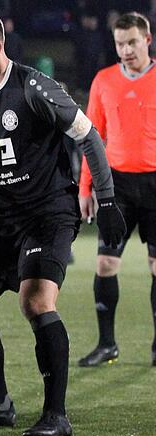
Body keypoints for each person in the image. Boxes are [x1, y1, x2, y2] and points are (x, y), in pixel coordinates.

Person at [0, 9, 125, 436]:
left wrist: (108, 198)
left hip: (50, 213)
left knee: (36, 301)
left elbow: (88, 135)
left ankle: (56, 415)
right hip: (7, 218)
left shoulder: (34, 86)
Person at [77, 12, 156, 368]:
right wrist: (85, 187)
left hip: (155, 185)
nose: (124, 50)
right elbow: (91, 138)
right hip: (117, 186)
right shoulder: (103, 81)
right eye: (119, 44)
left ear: (147, 40)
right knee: (106, 263)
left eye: (131, 42)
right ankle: (107, 344)